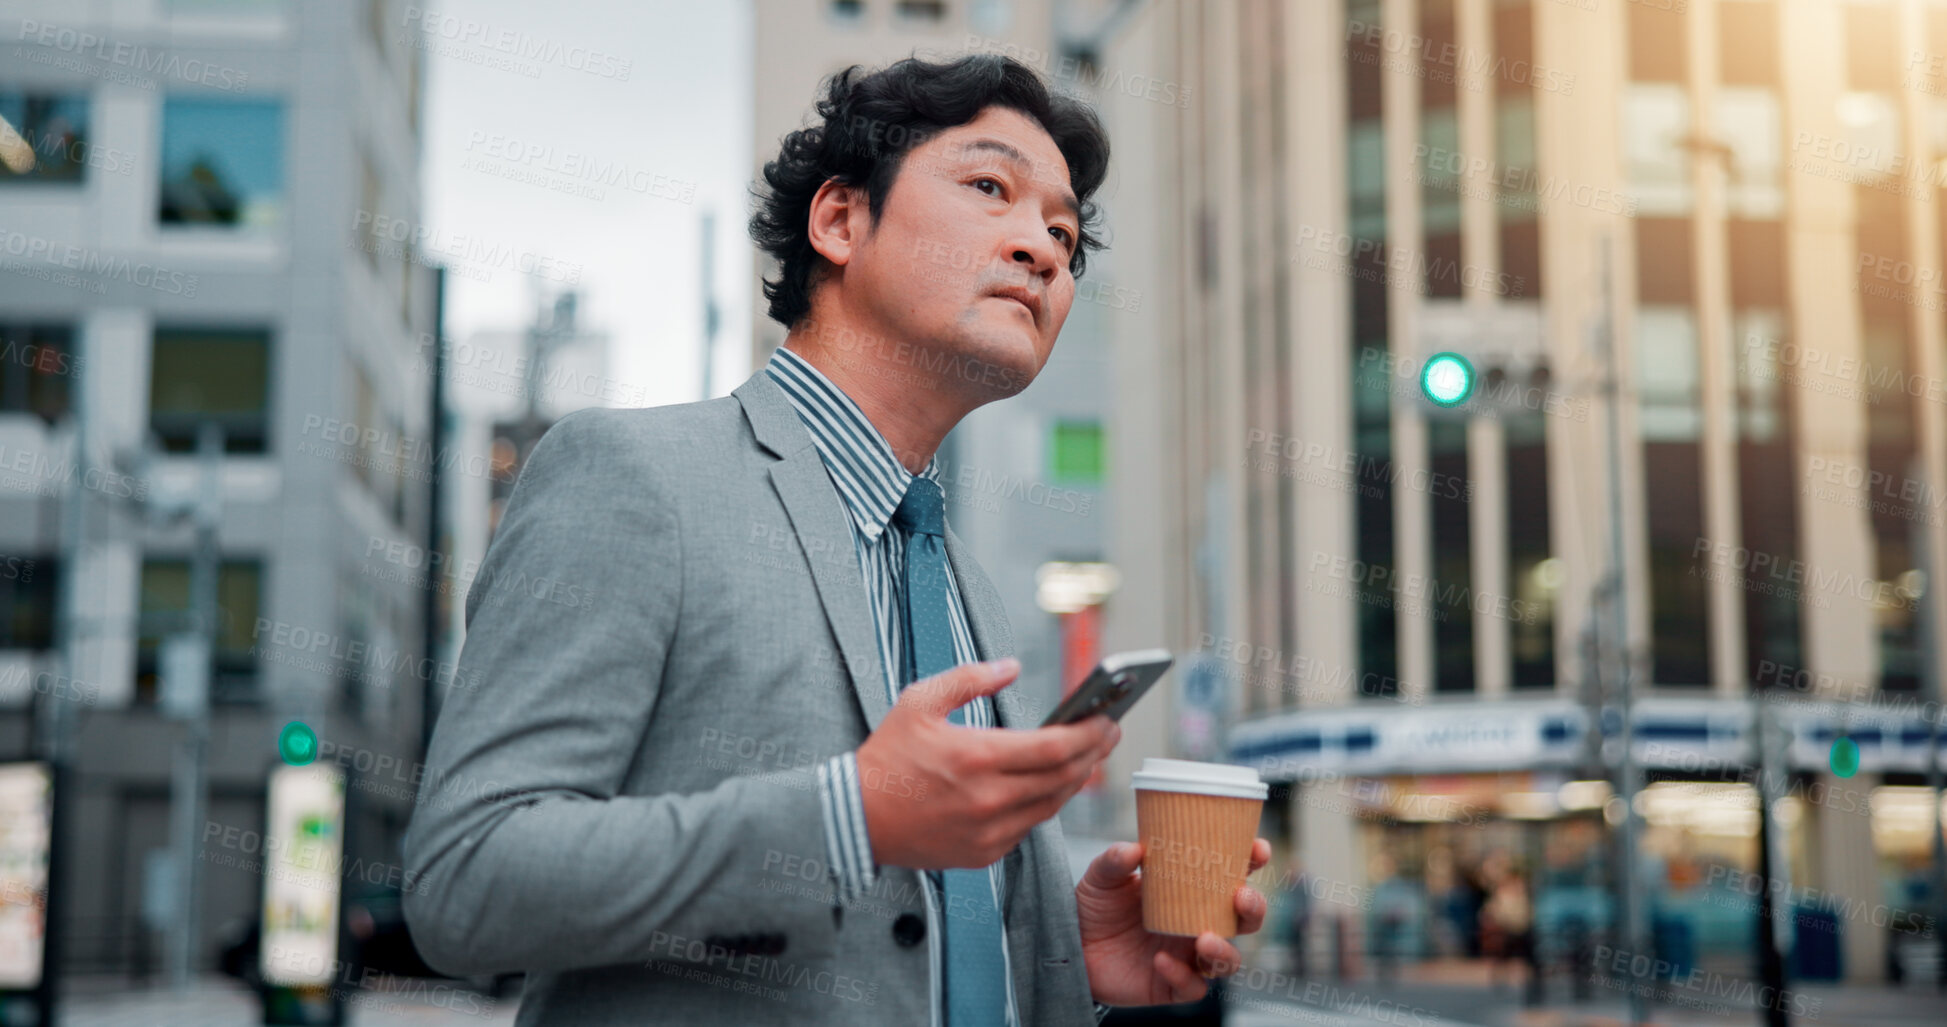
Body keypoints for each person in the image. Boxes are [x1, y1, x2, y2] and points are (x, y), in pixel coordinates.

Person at [401, 53, 1270, 1026]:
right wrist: (847, 816)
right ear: (840, 220)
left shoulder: (966, 587)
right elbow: (463, 880)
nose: (1042, 249)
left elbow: (903, 945)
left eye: (1065, 236)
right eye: (991, 188)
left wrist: (1068, 956)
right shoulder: (634, 477)